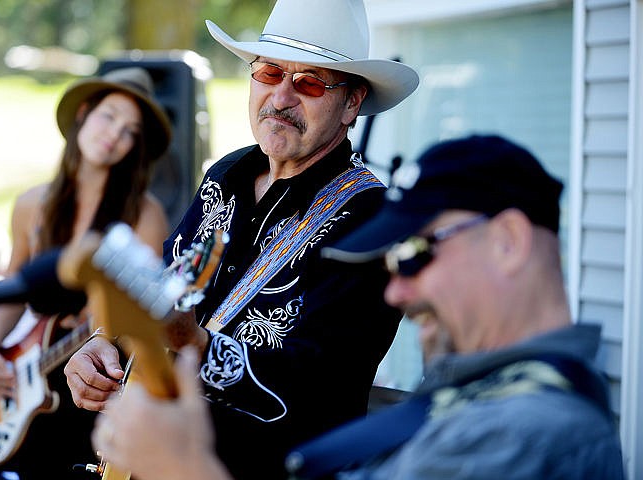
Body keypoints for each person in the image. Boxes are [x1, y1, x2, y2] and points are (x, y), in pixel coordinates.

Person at [88, 134, 625, 480]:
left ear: (509, 241)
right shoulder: (482, 400)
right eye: (267, 72)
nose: (395, 292)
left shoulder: (532, 431)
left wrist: (181, 466)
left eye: (415, 253)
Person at [64, 1, 418, 478]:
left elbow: (318, 386)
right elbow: (166, 285)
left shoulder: (372, 220)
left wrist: (196, 345)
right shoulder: (227, 173)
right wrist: (104, 342)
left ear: (351, 104)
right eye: (269, 72)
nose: (282, 97)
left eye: (310, 82)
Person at [0, 66, 172, 479]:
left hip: (95, 379)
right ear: (83, 113)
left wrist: (102, 332)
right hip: (34, 362)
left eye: (130, 131)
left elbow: (146, 310)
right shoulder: (32, 204)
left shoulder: (145, 216)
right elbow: (15, 285)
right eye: (109, 116)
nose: (115, 134)